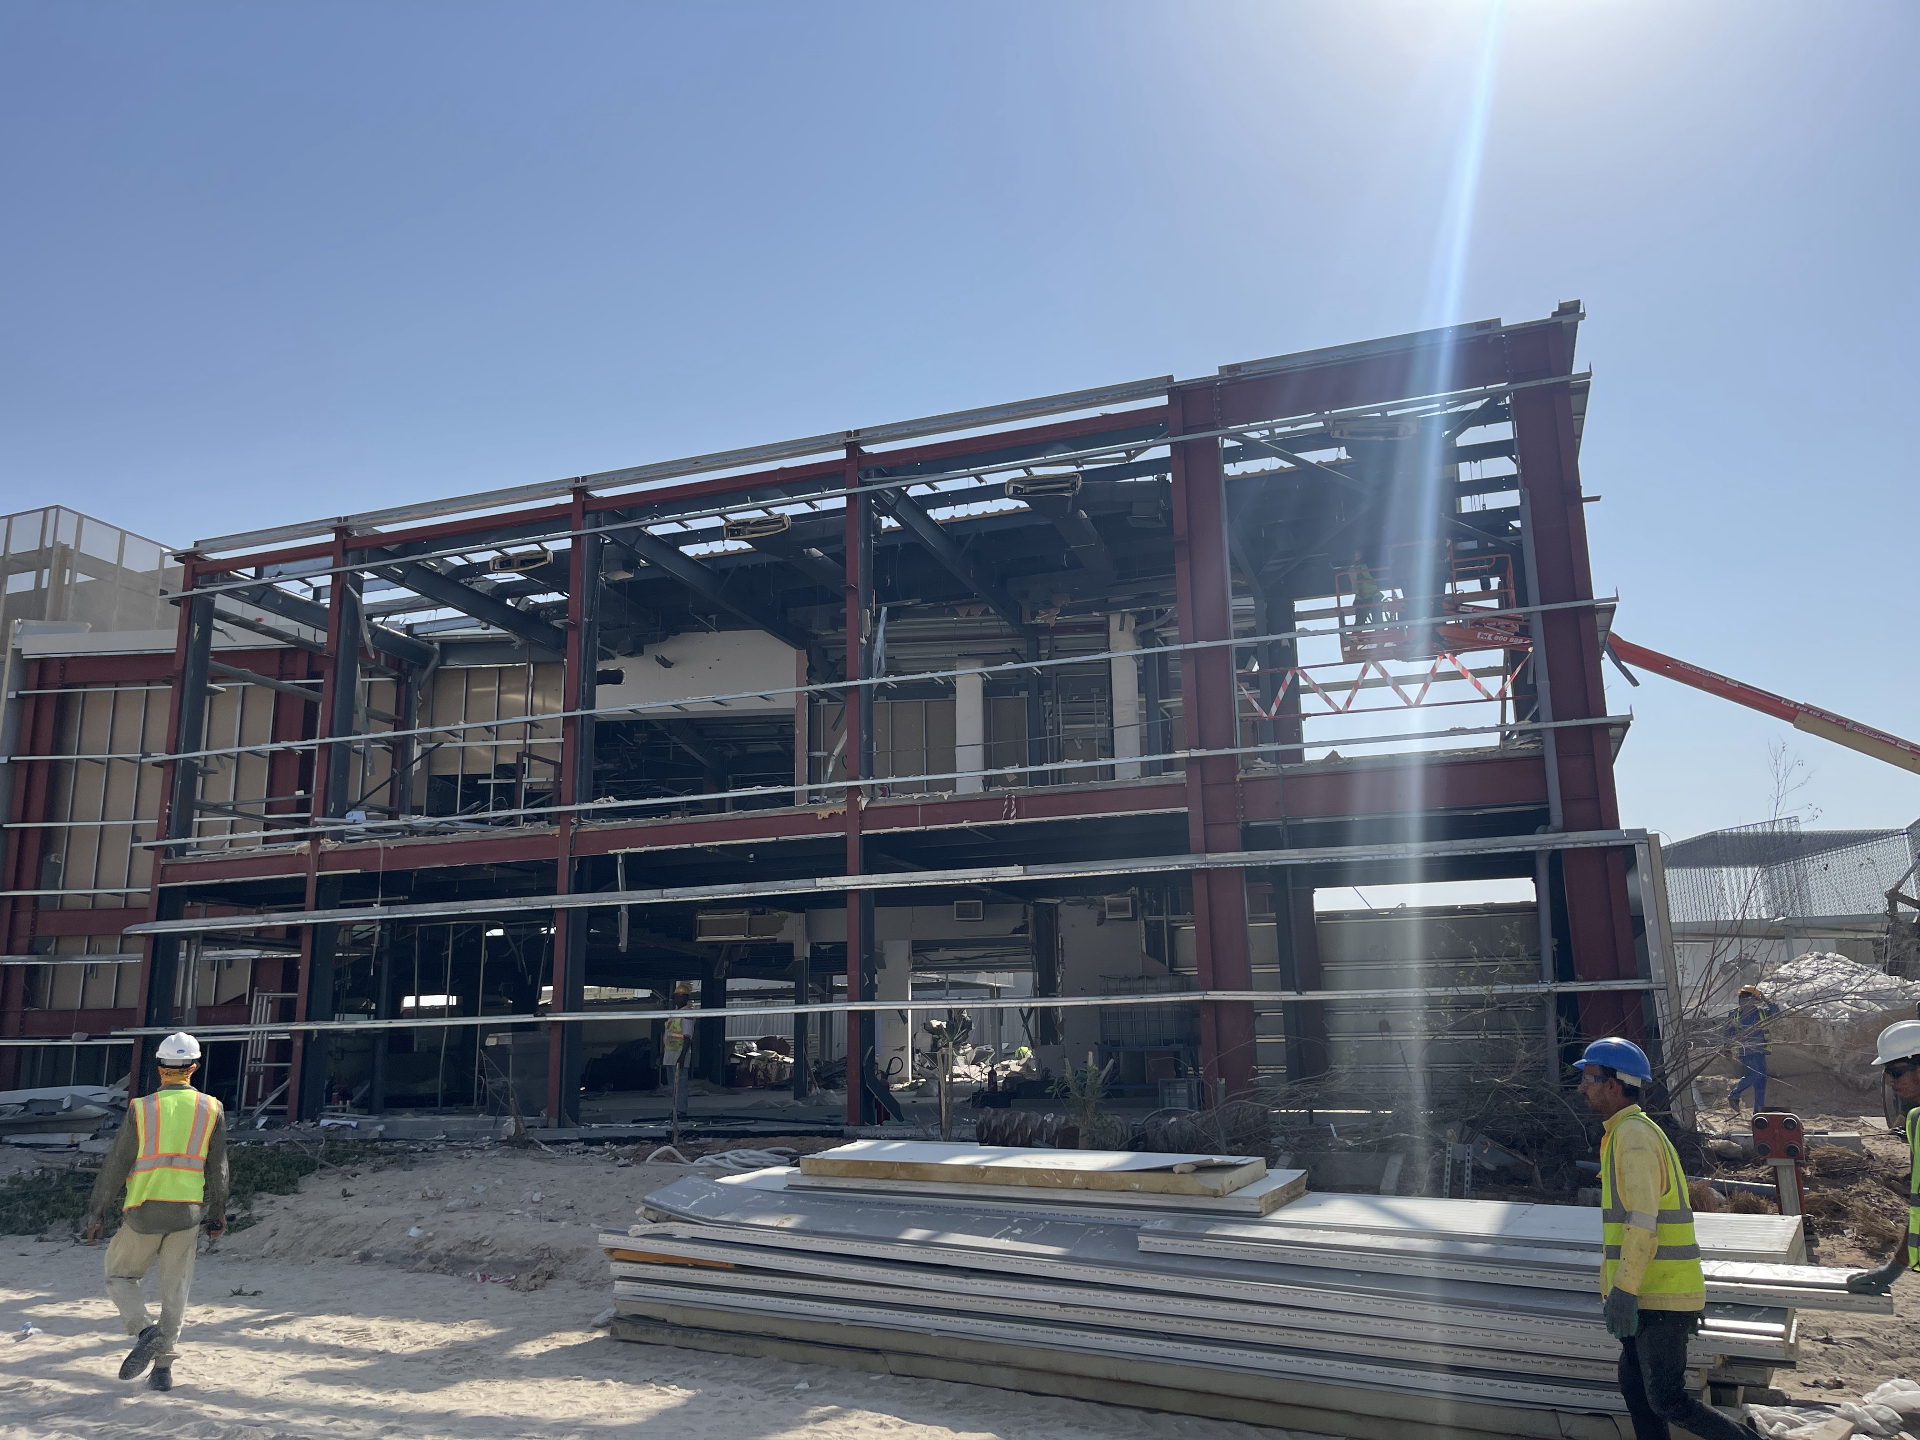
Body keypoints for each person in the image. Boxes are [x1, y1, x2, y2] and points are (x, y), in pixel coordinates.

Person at [1576, 1037, 1761, 1440]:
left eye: (1589, 1077)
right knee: (1637, 1389)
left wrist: (1623, 1290)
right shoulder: (1623, 1133)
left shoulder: (1634, 1136)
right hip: (1648, 1292)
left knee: (1666, 1399)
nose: (1582, 1086)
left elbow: (1643, 1220)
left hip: (1659, 1294)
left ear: (1614, 1084)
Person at [82, 1031, 228, 1393]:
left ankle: (144, 1330)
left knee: (120, 1277)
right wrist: (217, 1213)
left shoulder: (141, 1108)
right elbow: (219, 1168)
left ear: (160, 1067)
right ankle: (162, 1370)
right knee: (174, 1291)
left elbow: (117, 1164)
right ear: (193, 1067)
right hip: (188, 1215)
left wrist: (97, 1211)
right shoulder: (212, 1108)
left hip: (144, 1210)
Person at [1845, 1018, 1920, 1294]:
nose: (1890, 1082)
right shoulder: (1915, 1121)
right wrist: (1896, 1267)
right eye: (1887, 1073)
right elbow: (1918, 1209)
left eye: (1897, 1072)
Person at [1724, 985, 1782, 1114]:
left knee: (1761, 1082)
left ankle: (1758, 1113)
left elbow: (1776, 1011)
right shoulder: (1734, 1014)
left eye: (1747, 998)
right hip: (1746, 1052)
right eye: (1742, 999)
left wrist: (1765, 999)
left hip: (1760, 1051)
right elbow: (1727, 1032)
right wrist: (1726, 1048)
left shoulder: (1761, 1012)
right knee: (1755, 1075)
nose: (1743, 1001)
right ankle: (1734, 1094)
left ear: (1754, 1000)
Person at [1349, 551, 1386, 628]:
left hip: (1373, 596)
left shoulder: (1369, 566)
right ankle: (1358, 636)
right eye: (1356, 556)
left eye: (1359, 556)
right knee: (1359, 623)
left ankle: (1379, 634)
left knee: (1378, 621)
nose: (1357, 558)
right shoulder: (1351, 570)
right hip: (1360, 598)